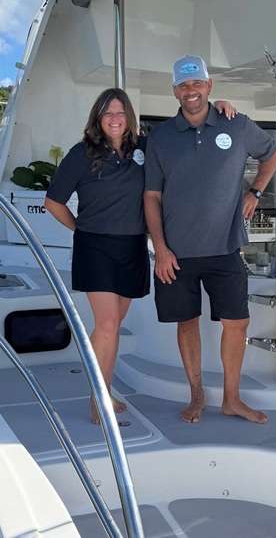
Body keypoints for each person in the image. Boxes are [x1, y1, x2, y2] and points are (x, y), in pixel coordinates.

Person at [45, 87, 237, 423]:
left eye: (120, 112)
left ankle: (103, 390)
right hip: (95, 248)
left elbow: (184, 136)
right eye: (108, 113)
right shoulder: (81, 153)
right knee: (106, 325)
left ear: (129, 117)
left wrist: (217, 109)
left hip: (133, 247)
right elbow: (53, 202)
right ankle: (98, 399)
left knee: (114, 326)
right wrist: (80, 229)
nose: (115, 119)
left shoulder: (145, 148)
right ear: (98, 118)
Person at [144, 55, 276, 425]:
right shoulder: (160, 137)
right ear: (175, 91)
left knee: (237, 323)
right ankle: (197, 396)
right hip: (176, 253)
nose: (191, 90)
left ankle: (232, 399)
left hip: (226, 247)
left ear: (209, 85)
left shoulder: (236, 124)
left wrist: (255, 191)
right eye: (183, 85)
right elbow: (152, 196)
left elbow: (272, 153)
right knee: (186, 323)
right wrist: (160, 248)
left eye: (197, 83)